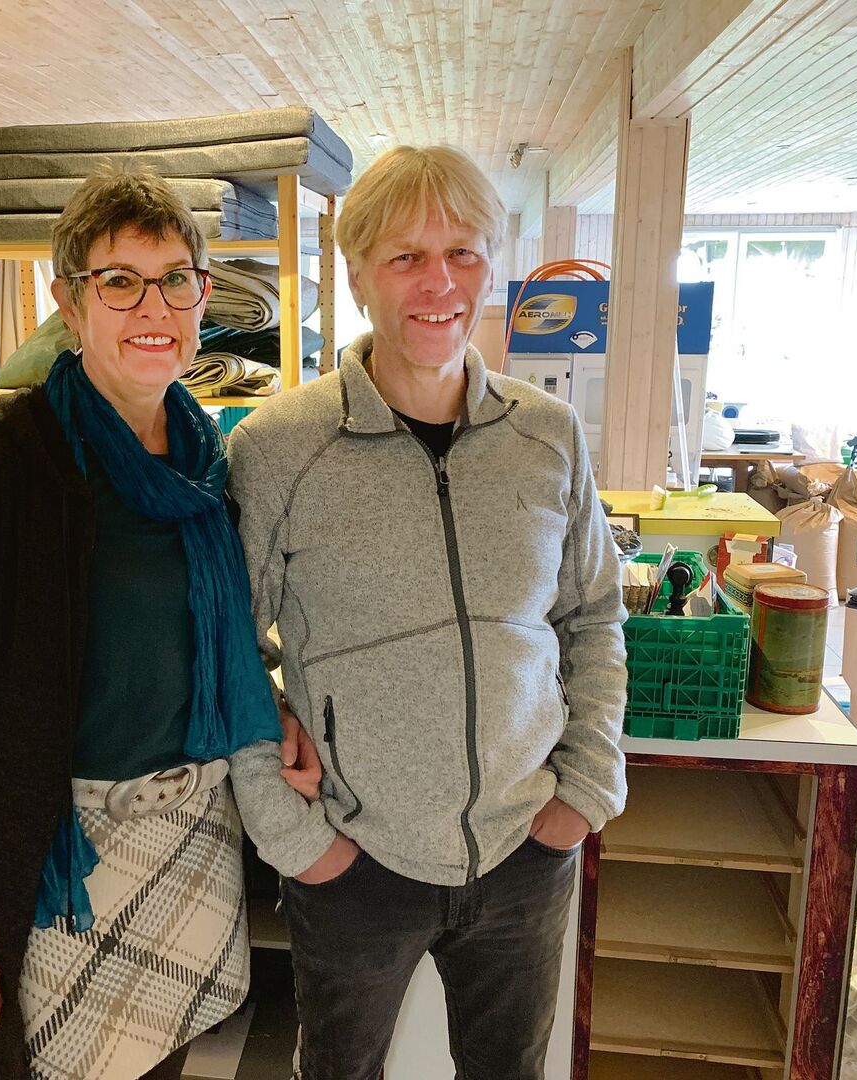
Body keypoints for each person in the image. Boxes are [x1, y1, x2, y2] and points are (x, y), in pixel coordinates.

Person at [0, 169, 317, 1080]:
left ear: (202, 297)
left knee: (163, 1065)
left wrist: (273, 703)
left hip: (193, 832)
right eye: (120, 281)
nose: (153, 307)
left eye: (176, 280)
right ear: (70, 302)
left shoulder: (211, 460)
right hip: (61, 853)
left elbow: (210, 641)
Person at [226, 145, 629, 1080]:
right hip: (354, 861)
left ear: (492, 266)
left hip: (526, 847)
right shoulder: (277, 447)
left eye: (462, 253)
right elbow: (228, 649)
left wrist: (584, 790)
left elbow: (594, 616)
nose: (439, 283)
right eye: (406, 256)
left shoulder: (548, 434)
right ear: (358, 275)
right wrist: (296, 840)